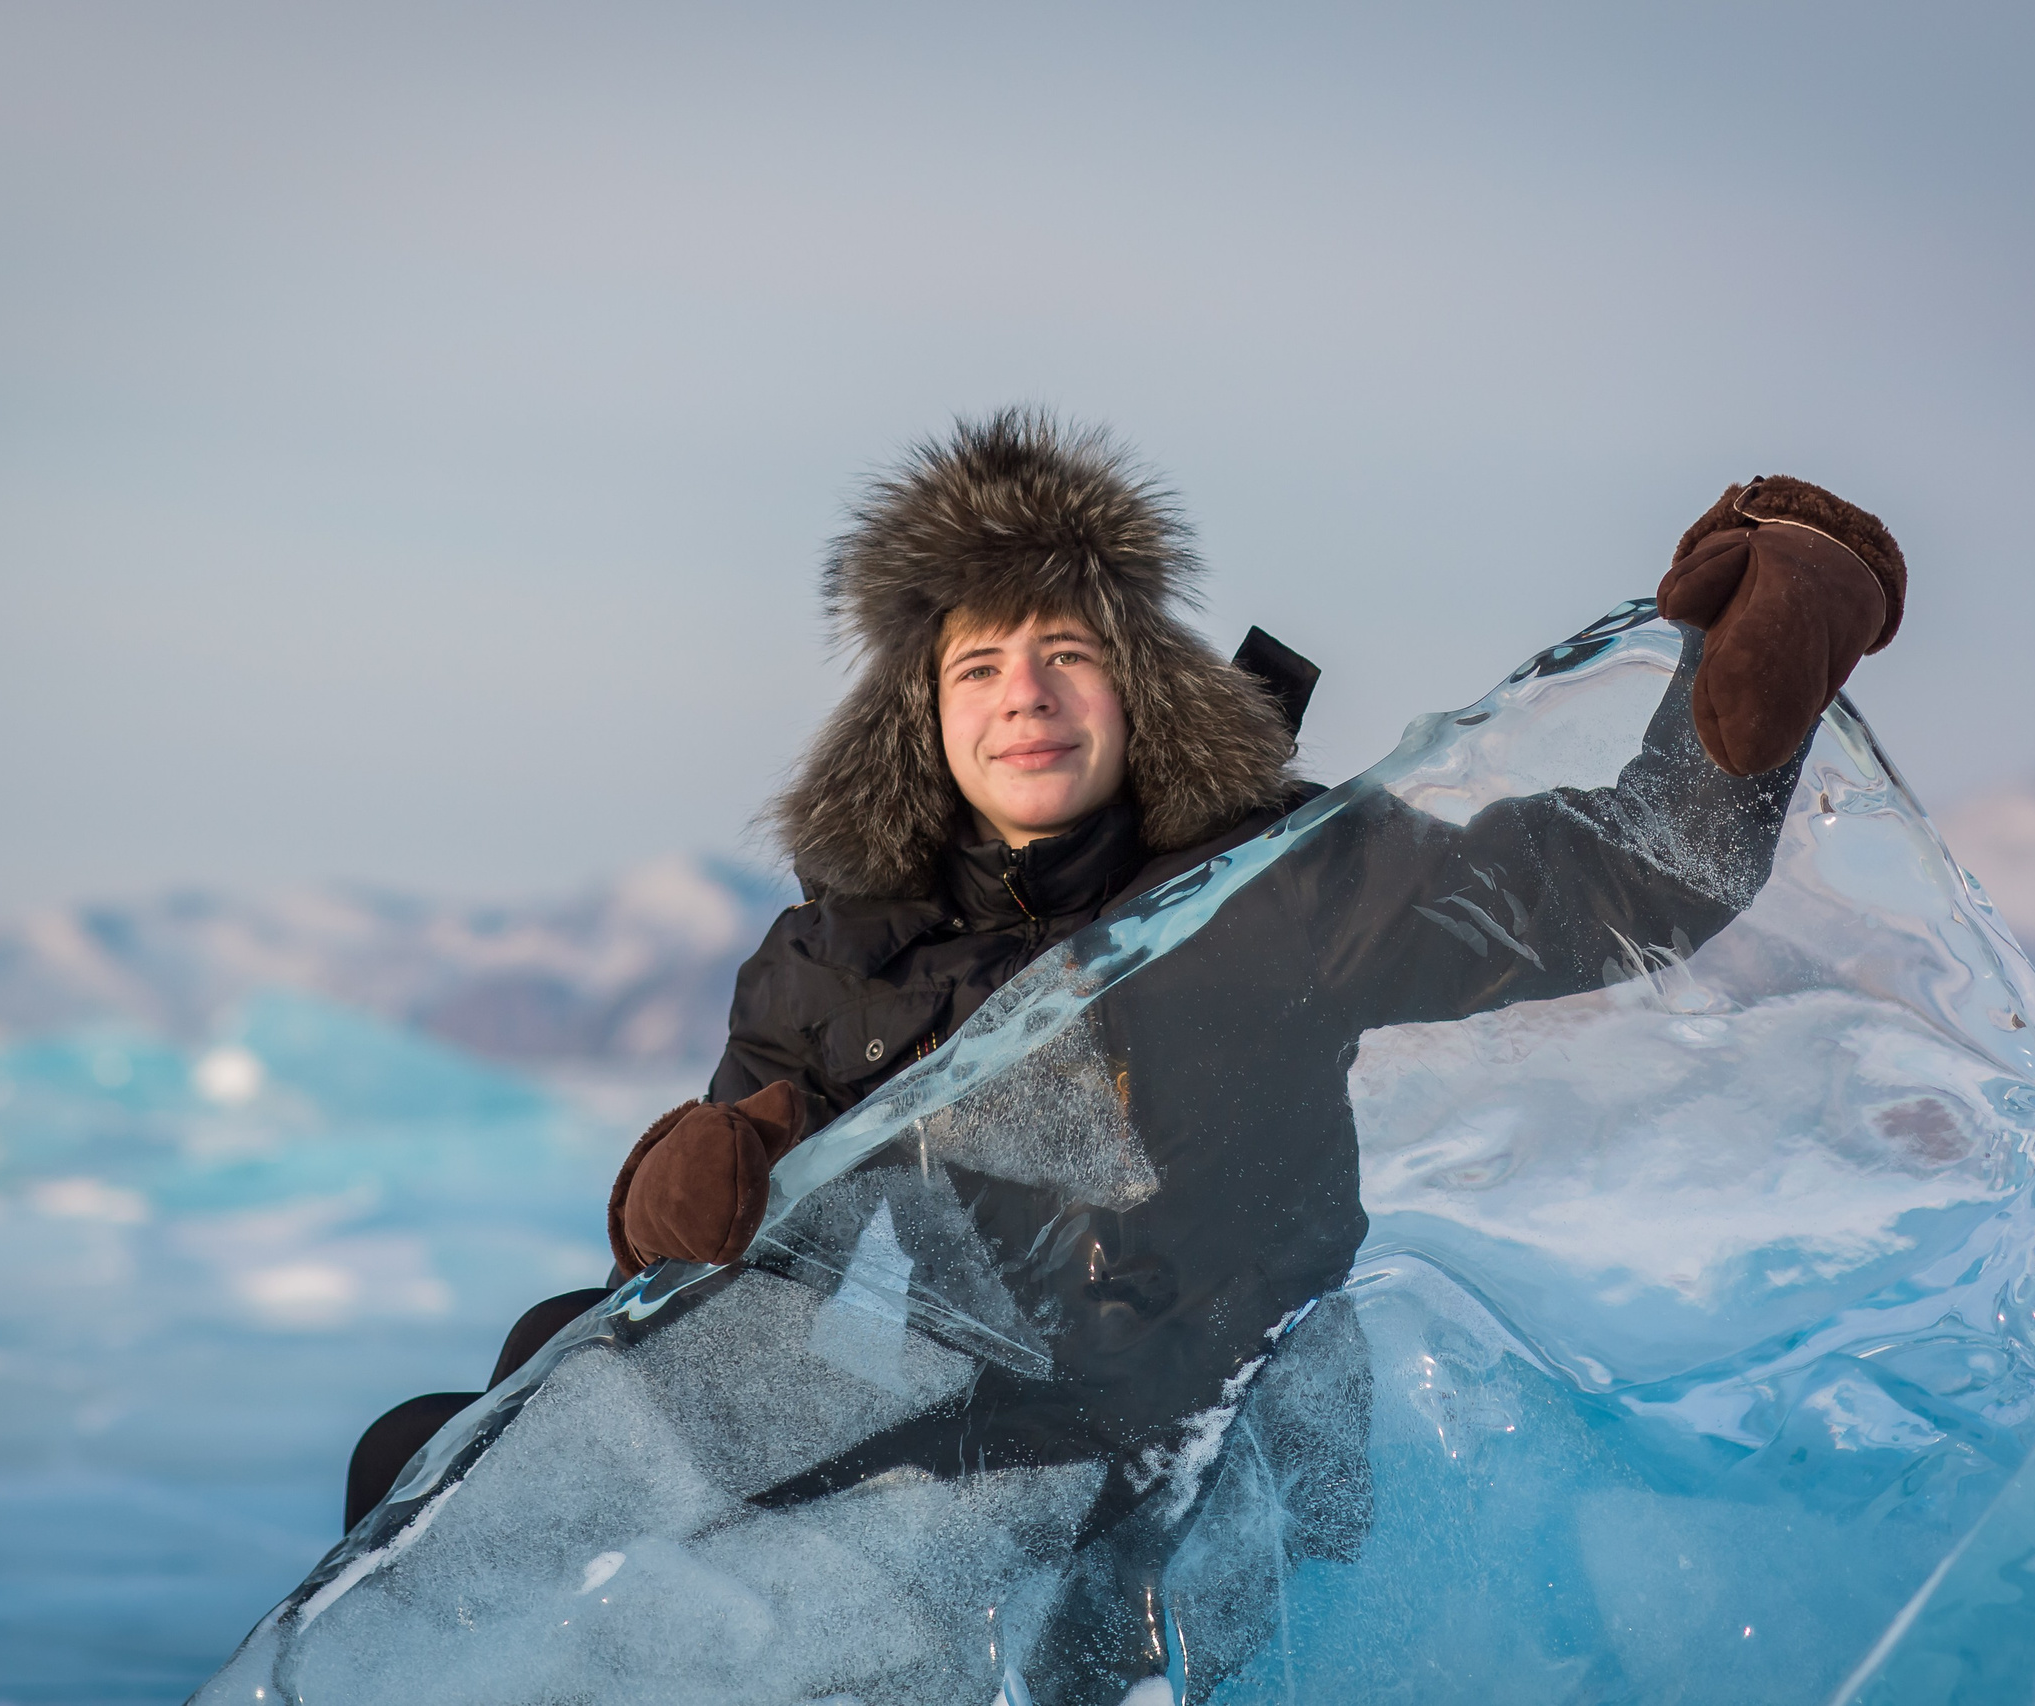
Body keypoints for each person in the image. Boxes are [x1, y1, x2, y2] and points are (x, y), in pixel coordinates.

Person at [344, 410, 1910, 1652]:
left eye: (1065, 652)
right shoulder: (833, 954)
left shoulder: (1272, 893)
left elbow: (1612, 883)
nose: (1023, 693)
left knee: (955, 1611)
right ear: (927, 717)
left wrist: (1751, 682)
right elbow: (720, 1278)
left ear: (1136, 689)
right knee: (469, 1431)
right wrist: (678, 1193)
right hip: (943, 1425)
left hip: (1209, 1453)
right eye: (978, 664)